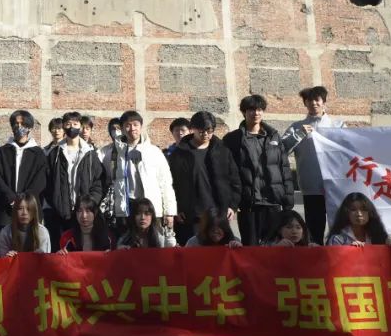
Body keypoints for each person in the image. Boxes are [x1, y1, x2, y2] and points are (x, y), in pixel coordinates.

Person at [223, 95, 294, 246]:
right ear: (244, 112)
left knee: (275, 246)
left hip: (273, 202)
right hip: (249, 204)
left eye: (260, 109)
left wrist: (288, 202)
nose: (256, 113)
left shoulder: (274, 137)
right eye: (251, 109)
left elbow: (284, 168)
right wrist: (231, 203)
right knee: (251, 247)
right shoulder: (233, 139)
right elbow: (228, 174)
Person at [99, 110, 177, 246]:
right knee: (128, 246)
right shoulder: (113, 153)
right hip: (127, 206)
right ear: (122, 128)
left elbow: (165, 183)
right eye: (127, 125)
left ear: (141, 127)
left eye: (135, 125)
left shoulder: (154, 152)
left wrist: (169, 212)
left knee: (154, 245)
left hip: (151, 207)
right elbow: (110, 179)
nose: (132, 129)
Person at [281, 86, 345, 245]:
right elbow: (281, 151)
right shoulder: (297, 127)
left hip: (335, 186)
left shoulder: (338, 126)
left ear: (324, 102)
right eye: (309, 100)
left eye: (317, 100)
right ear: (305, 103)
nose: (313, 103)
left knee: (339, 229)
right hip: (311, 188)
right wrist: (299, 135)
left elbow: (348, 152)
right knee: (314, 230)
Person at [168, 110, 241, 246]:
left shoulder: (222, 150)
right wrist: (176, 208)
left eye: (210, 131)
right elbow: (171, 183)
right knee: (192, 252)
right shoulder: (180, 153)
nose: (206, 134)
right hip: (190, 213)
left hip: (217, 214)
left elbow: (234, 180)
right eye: (201, 131)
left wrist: (232, 205)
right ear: (192, 129)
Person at [46, 111, 106, 233]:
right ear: (63, 126)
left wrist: (90, 203)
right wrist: (56, 202)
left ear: (80, 126)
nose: (71, 127)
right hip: (60, 214)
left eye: (75, 124)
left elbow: (99, 182)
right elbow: (47, 182)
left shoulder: (90, 154)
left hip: (85, 214)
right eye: (68, 124)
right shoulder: (54, 154)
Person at [0, 110, 48, 225]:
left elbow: (41, 179)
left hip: (30, 206)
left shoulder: (38, 153)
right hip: (5, 206)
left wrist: (25, 199)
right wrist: (10, 196)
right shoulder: (2, 151)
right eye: (16, 123)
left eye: (23, 124)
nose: (19, 126)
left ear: (30, 128)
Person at [325, 193, 391, 247]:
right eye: (353, 210)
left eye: (363, 209)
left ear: (370, 212)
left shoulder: (380, 238)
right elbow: (334, 262)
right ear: (346, 213)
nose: (359, 214)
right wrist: (349, 250)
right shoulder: (338, 239)